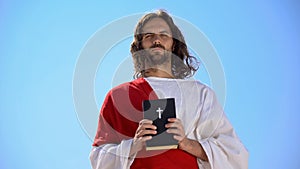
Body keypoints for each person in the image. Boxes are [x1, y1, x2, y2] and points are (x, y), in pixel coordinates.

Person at [90, 9, 248, 169]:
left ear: (174, 45)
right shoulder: (119, 96)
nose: (156, 40)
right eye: (148, 36)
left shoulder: (201, 94)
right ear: (140, 46)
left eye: (164, 35)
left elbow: (235, 153)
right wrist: (133, 146)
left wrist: (185, 143)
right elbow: (99, 158)